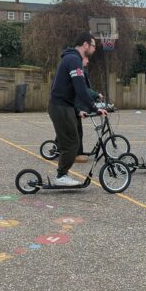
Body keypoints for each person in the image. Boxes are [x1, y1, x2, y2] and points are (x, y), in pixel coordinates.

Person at [48, 32, 107, 186]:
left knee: (70, 141)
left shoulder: (72, 58)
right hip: (60, 106)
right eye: (93, 45)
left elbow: (70, 90)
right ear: (85, 45)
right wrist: (94, 107)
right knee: (72, 143)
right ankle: (61, 176)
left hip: (65, 106)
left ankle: (62, 174)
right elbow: (81, 88)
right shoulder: (74, 59)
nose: (94, 49)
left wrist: (77, 110)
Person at [74, 56, 103, 163]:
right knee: (77, 131)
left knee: (72, 128)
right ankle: (76, 154)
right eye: (86, 58)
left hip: (76, 104)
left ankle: (57, 146)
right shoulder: (79, 71)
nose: (88, 61)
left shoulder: (82, 70)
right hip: (75, 105)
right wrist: (96, 95)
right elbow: (84, 90)